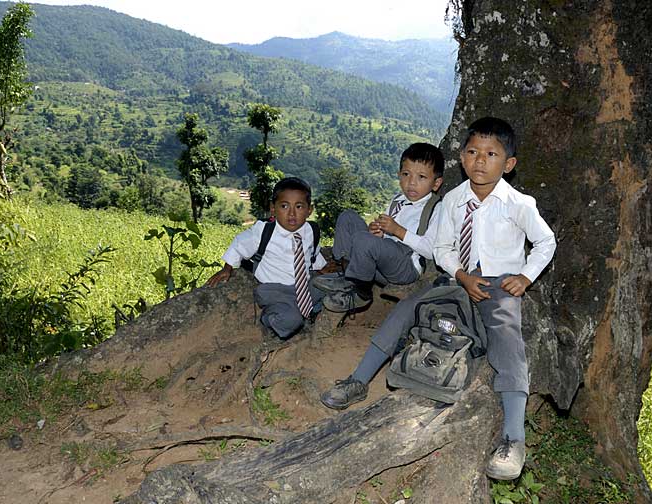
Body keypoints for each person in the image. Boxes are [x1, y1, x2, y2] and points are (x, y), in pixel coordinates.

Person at [319, 117, 556, 482]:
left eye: (491, 154)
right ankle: (357, 379)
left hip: (498, 284)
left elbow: (546, 241)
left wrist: (524, 277)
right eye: (473, 152)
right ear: (461, 157)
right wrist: (461, 275)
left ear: (508, 164)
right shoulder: (453, 201)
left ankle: (513, 438)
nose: (481, 161)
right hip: (456, 277)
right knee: (405, 310)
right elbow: (443, 247)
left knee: (507, 339)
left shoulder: (518, 203)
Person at [314, 142, 445, 313]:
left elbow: (430, 250)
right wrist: (376, 232)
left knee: (365, 240)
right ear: (399, 175)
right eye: (406, 174)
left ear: (436, 183)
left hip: (406, 266)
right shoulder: (397, 199)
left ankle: (359, 293)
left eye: (421, 177)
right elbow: (381, 237)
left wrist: (397, 230)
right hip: (379, 261)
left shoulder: (436, 207)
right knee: (348, 218)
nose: (411, 183)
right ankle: (346, 275)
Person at [206, 177, 328, 340]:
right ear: (273, 209)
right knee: (292, 320)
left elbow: (311, 252)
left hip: (304, 285)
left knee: (335, 286)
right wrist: (227, 268)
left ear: (309, 210)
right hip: (275, 290)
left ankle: (309, 308)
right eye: (284, 206)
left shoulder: (310, 230)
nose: (292, 213)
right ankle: (269, 319)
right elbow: (239, 244)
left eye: (299, 206)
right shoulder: (264, 231)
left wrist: (322, 267)